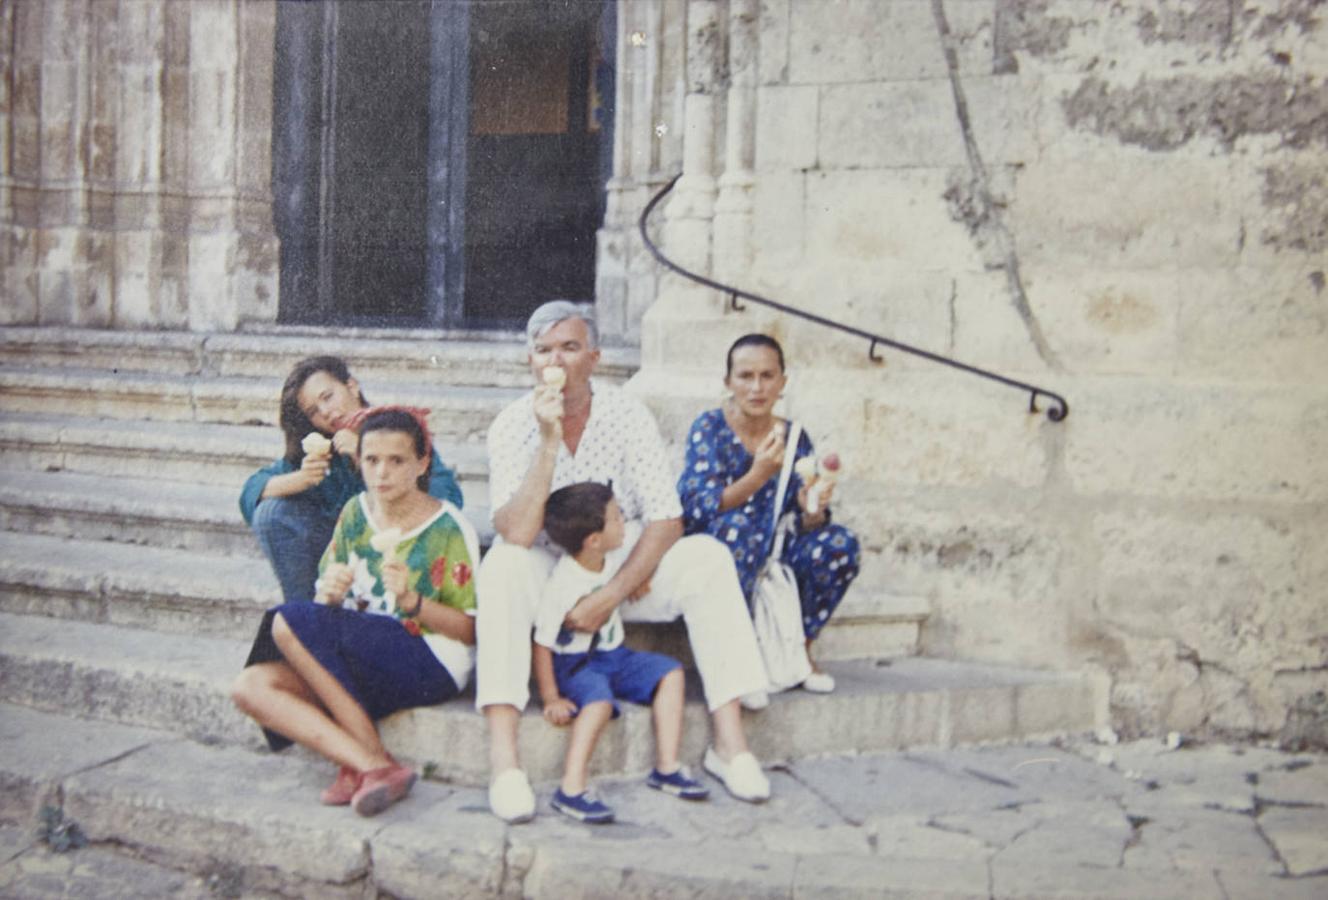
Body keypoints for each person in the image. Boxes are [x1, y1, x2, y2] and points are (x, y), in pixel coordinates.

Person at [477, 300, 772, 823]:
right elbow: (519, 530)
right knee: (501, 566)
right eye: (544, 350)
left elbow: (666, 517)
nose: (557, 361)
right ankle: (505, 763)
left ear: (593, 357)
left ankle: (729, 744)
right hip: (553, 566)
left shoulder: (626, 413)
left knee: (706, 558)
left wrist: (612, 592)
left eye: (569, 347)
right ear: (530, 361)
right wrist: (547, 441)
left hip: (623, 559)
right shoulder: (510, 424)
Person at [231, 407, 479, 817]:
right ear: (358, 462)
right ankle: (372, 765)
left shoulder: (448, 528)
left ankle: (362, 765)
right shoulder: (355, 514)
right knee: (251, 686)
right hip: (366, 653)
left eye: (396, 461)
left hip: (431, 659)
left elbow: (470, 631)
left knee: (287, 619)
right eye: (371, 460)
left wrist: (414, 603)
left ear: (422, 464)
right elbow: (330, 606)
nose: (382, 473)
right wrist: (329, 596)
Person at [678, 334, 861, 693]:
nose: (757, 387)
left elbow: (803, 519)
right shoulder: (709, 428)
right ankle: (738, 661)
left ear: (782, 382)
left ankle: (798, 653)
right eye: (746, 376)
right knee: (738, 528)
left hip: (771, 553)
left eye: (767, 376)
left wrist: (814, 509)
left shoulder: (794, 438)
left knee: (839, 543)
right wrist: (758, 474)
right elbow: (698, 506)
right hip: (716, 549)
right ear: (728, 382)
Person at [534, 481, 709, 824]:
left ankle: (667, 767)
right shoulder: (563, 584)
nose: (624, 521)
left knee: (671, 673)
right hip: (576, 665)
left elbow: (640, 560)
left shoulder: (610, 557)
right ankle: (570, 789)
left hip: (615, 656)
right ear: (593, 540)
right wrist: (551, 696)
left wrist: (645, 575)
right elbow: (541, 643)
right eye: (616, 518)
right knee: (598, 704)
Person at [239, 356, 464, 604]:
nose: (325, 412)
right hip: (339, 553)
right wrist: (302, 479)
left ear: (352, 386)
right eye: (313, 411)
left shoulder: (397, 429)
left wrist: (367, 458)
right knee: (271, 513)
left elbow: (447, 496)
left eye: (328, 396)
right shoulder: (323, 448)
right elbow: (252, 490)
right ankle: (305, 618)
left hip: (394, 549)